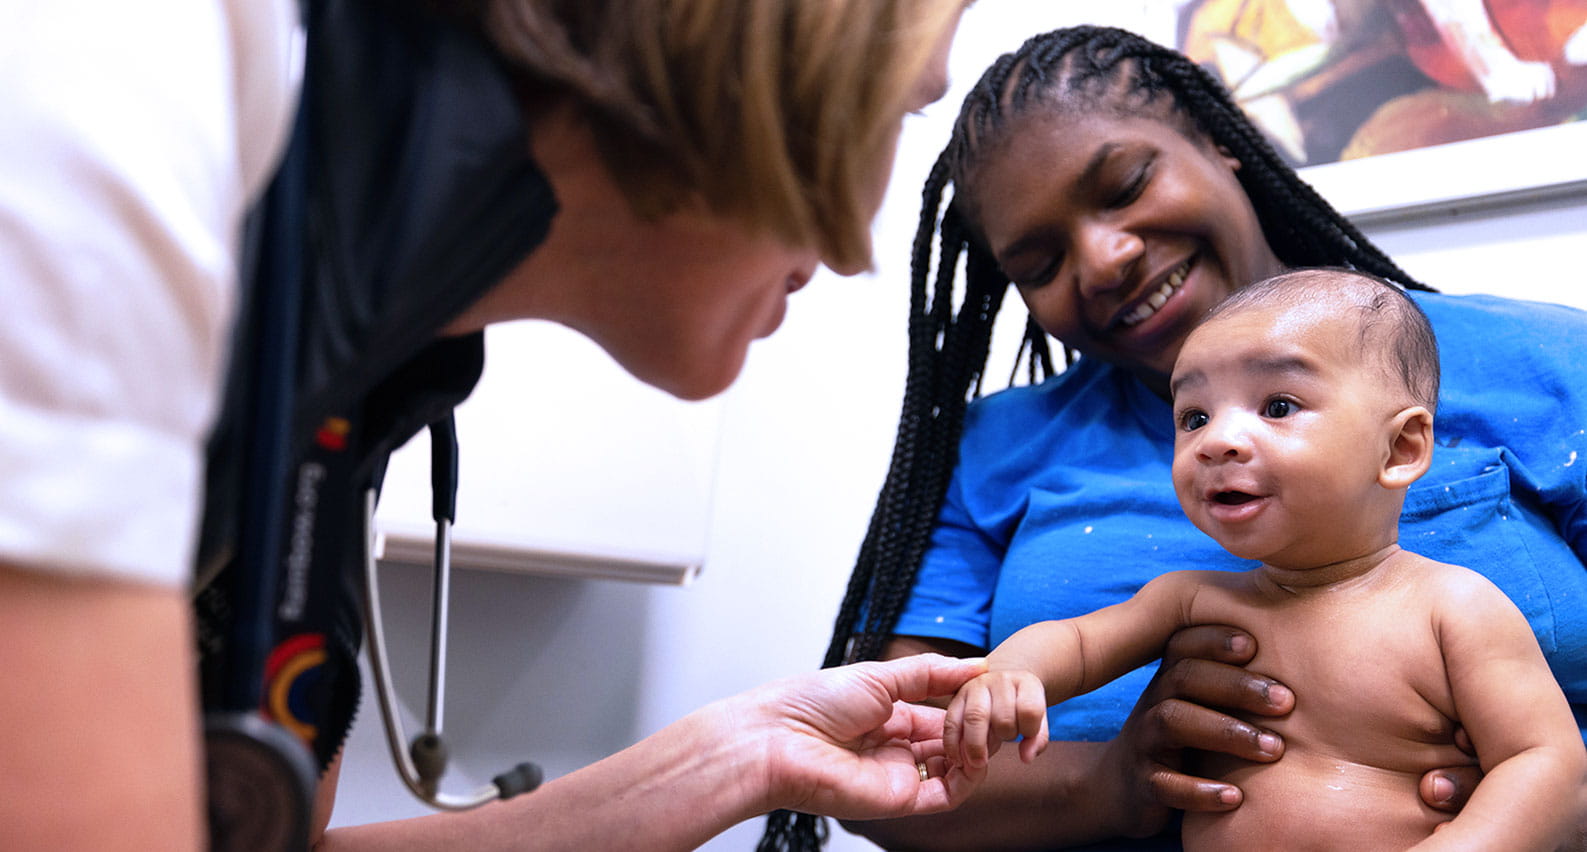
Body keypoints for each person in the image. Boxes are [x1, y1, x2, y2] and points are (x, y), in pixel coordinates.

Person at [0, 1, 991, 849]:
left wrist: (739, 757)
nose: (861, 243)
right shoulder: (123, 87)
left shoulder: (374, 341)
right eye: (898, 109)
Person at [763, 24, 1587, 852]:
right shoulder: (998, 455)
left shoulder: (1543, 365)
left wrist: (1530, 797)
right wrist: (1113, 781)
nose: (1102, 258)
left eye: (1124, 185)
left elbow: (1544, 768)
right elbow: (887, 767)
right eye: (1040, 264)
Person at [942, 268, 1587, 851]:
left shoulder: (1455, 607)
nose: (1217, 440)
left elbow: (1546, 761)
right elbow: (1080, 644)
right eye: (1193, 416)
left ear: (1401, 449)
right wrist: (1011, 672)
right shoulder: (1193, 601)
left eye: (1278, 407)